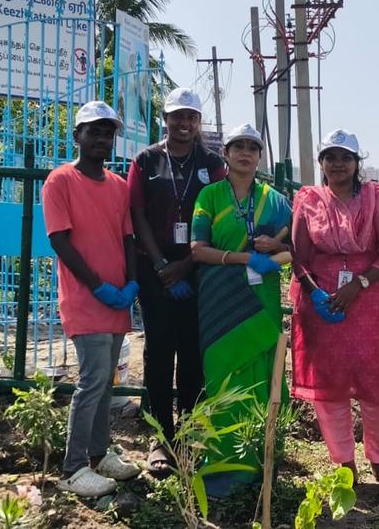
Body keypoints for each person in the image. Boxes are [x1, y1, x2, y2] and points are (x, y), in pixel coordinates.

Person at [290, 129, 379, 485]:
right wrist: (316, 295)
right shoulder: (309, 200)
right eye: (330, 157)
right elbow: (299, 257)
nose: (338, 164)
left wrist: (356, 286)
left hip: (370, 302)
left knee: (376, 383)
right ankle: (343, 462)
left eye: (346, 157)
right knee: (329, 385)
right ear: (321, 163)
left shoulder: (376, 198)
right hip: (323, 304)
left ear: (358, 163)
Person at [42, 100, 142, 497]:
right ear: (77, 136)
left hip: (117, 299)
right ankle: (73, 468)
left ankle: (99, 454)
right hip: (86, 298)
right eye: (94, 131)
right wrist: (97, 285)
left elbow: (128, 238)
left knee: (106, 381)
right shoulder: (60, 181)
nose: (102, 138)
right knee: (92, 380)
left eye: (108, 132)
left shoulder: (118, 186)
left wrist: (131, 283)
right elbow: (59, 241)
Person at [127, 88, 226, 478]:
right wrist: (161, 265)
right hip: (155, 272)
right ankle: (159, 438)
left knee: (191, 354)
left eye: (191, 117)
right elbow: (137, 214)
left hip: (197, 271)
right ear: (165, 119)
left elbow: (220, 217)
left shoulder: (212, 163)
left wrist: (185, 266)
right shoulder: (146, 160)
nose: (184, 123)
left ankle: (187, 434)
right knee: (158, 353)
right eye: (177, 116)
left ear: (198, 122)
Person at [189, 124, 292, 496]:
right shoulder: (210, 196)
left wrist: (273, 250)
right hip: (220, 299)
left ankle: (262, 460)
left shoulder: (276, 200)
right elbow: (197, 249)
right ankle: (223, 466)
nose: (245, 153)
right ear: (226, 154)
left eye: (252, 147)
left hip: (262, 298)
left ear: (260, 157)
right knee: (223, 375)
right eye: (238, 147)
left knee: (263, 374)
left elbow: (296, 249)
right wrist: (245, 257)